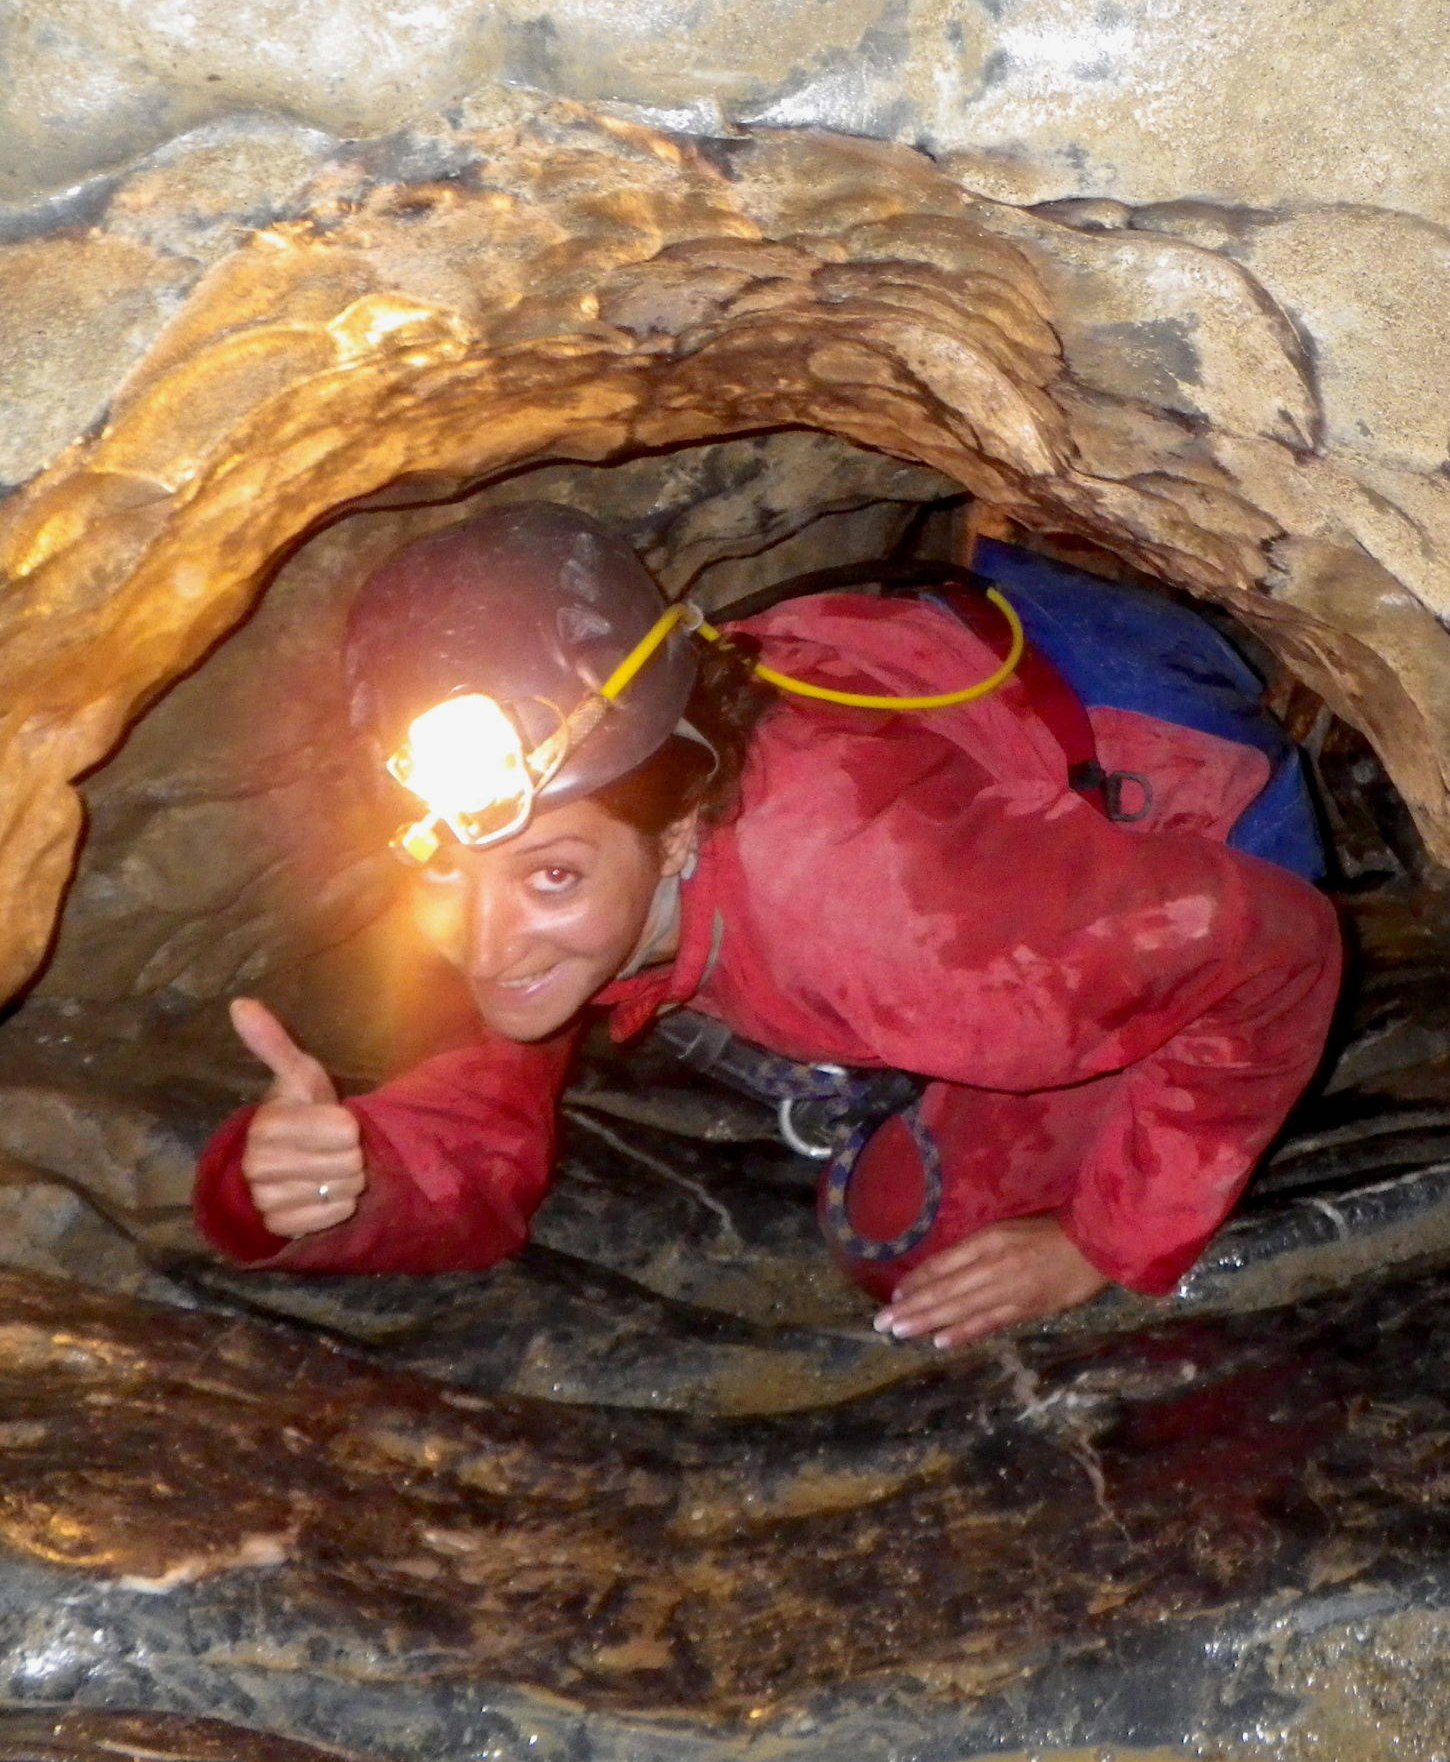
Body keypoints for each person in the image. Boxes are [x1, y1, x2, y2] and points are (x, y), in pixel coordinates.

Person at [194, 504, 1341, 1349]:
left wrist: (1103, 1245)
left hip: (1187, 823)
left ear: (680, 824)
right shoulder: (535, 828)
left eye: (549, 879)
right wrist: (311, 1186)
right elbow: (480, 1124)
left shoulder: (893, 933)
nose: (491, 944)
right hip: (974, 723)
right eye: (449, 872)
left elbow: (1279, 954)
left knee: (904, 1244)